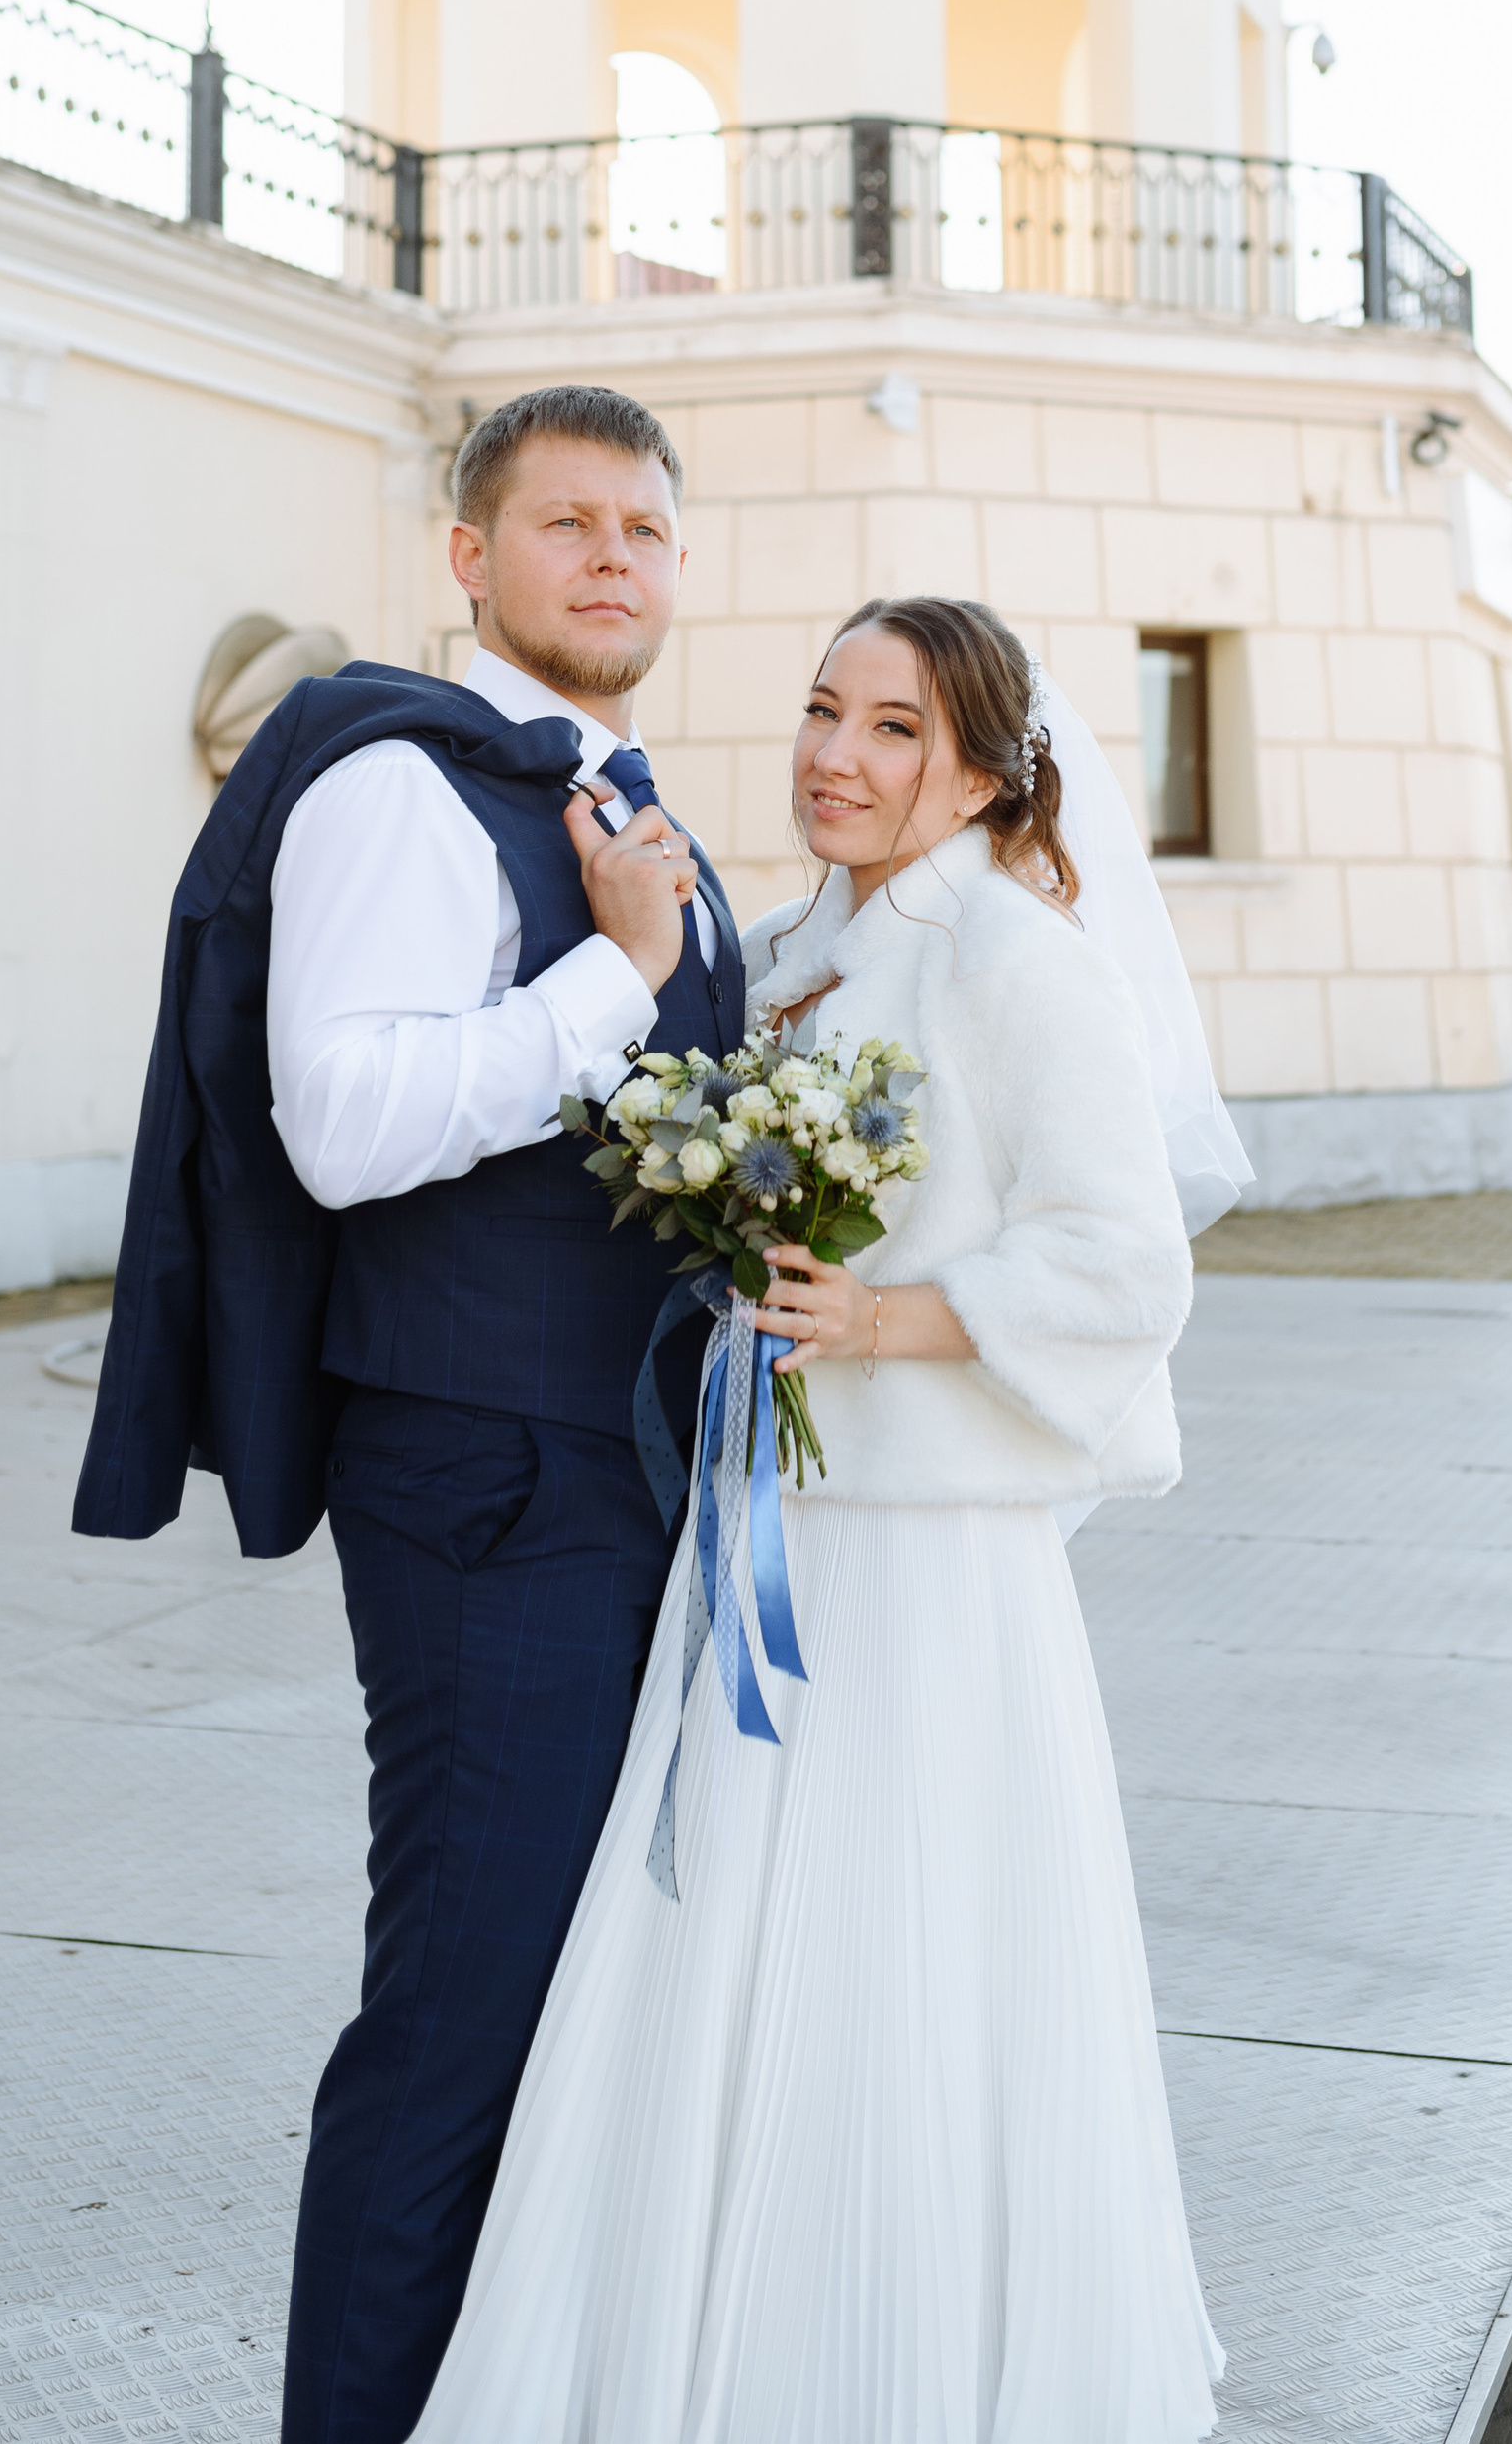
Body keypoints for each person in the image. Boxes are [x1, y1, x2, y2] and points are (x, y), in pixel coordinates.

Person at [415, 594, 1232, 2444]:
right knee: (719, 1937)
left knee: (910, 1961)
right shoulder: (782, 947)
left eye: (892, 728)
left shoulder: (1019, 962)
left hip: (930, 1569)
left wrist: (885, 1320)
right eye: (820, 710)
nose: (834, 756)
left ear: (983, 776)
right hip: (762, 1527)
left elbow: (1127, 1266)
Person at [72, 383, 742, 2444]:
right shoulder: (398, 783)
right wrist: (618, 978)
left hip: (620, 1475)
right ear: (470, 555)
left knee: (554, 2011)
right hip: (487, 1482)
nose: (614, 557)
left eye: (645, 527)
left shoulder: (623, 802)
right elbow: (347, 1122)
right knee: (458, 2014)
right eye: (567, 523)